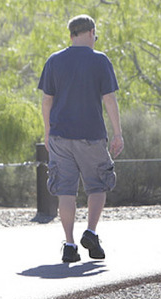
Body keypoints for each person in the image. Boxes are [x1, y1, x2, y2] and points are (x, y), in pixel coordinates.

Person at [37, 14, 124, 263]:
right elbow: (109, 99)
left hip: (60, 136)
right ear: (91, 32)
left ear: (71, 35)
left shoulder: (54, 60)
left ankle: (69, 244)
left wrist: (47, 132)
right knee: (98, 185)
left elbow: (47, 101)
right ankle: (91, 232)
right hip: (91, 135)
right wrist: (118, 133)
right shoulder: (100, 60)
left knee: (65, 191)